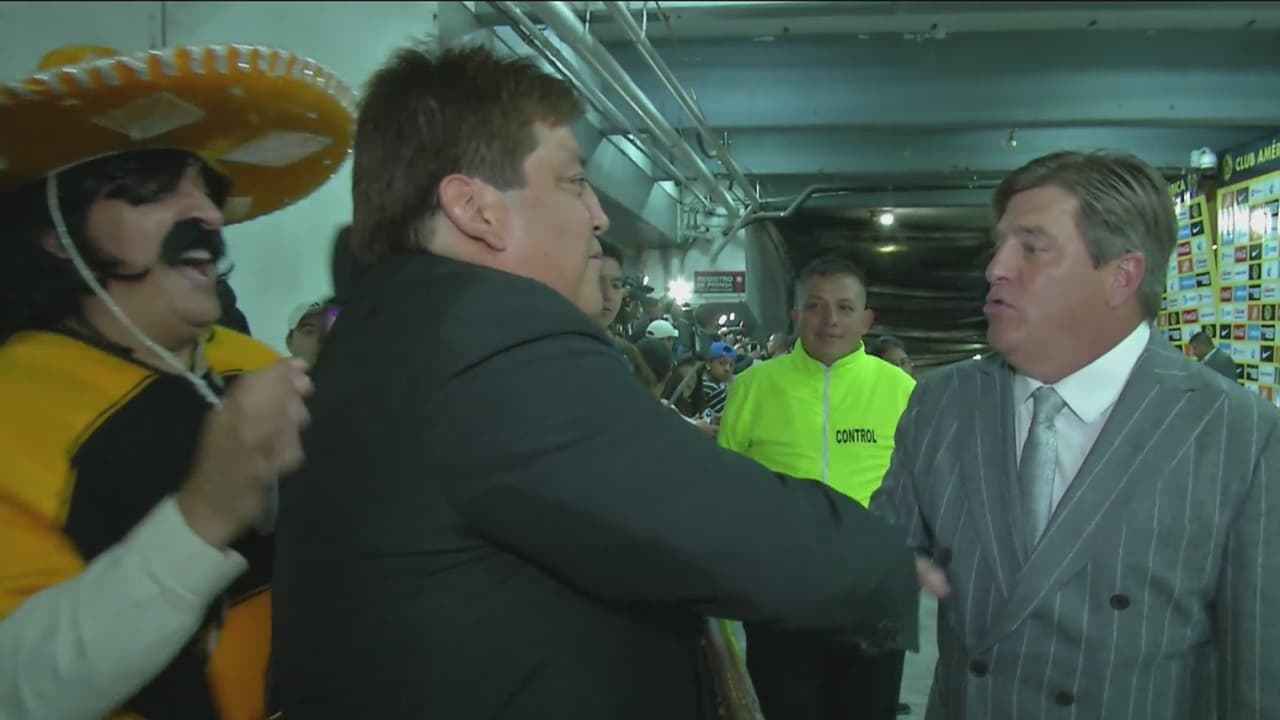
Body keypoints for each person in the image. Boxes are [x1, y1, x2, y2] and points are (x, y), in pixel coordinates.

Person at [271, 42, 920, 720]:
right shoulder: (488, 343)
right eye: (574, 182)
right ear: (475, 208)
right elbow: (716, 522)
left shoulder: (392, 331)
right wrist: (895, 563)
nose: (600, 216)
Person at [0, 43, 355, 719]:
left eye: (207, 189)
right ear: (57, 233)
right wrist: (205, 515)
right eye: (156, 187)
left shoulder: (250, 362)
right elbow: (16, 689)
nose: (210, 216)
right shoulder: (16, 406)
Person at [871, 151, 1280, 717]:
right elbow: (887, 549)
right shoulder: (944, 402)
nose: (996, 268)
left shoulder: (1238, 435)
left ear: (1121, 276)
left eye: (1031, 248)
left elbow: (1258, 674)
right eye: (999, 246)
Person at [718, 256, 917, 720]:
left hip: (875, 597)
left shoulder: (901, 391)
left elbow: (924, 489)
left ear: (866, 319)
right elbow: (726, 492)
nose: (830, 320)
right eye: (815, 306)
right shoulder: (753, 387)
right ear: (795, 315)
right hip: (782, 594)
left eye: (845, 308)